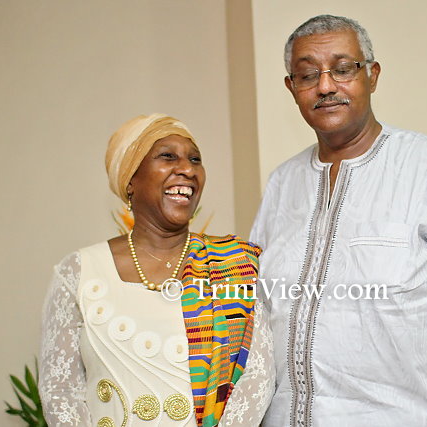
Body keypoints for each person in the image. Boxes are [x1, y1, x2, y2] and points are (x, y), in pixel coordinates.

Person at [250, 15, 427, 426]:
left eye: (343, 69)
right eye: (308, 75)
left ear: (372, 75)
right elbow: (258, 315)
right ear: (292, 88)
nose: (325, 86)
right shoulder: (281, 184)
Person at [39, 114, 274, 427]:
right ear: (130, 180)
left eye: (195, 159)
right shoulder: (79, 272)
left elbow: (256, 375)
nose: (187, 169)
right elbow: (60, 391)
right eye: (168, 156)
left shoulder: (232, 264)